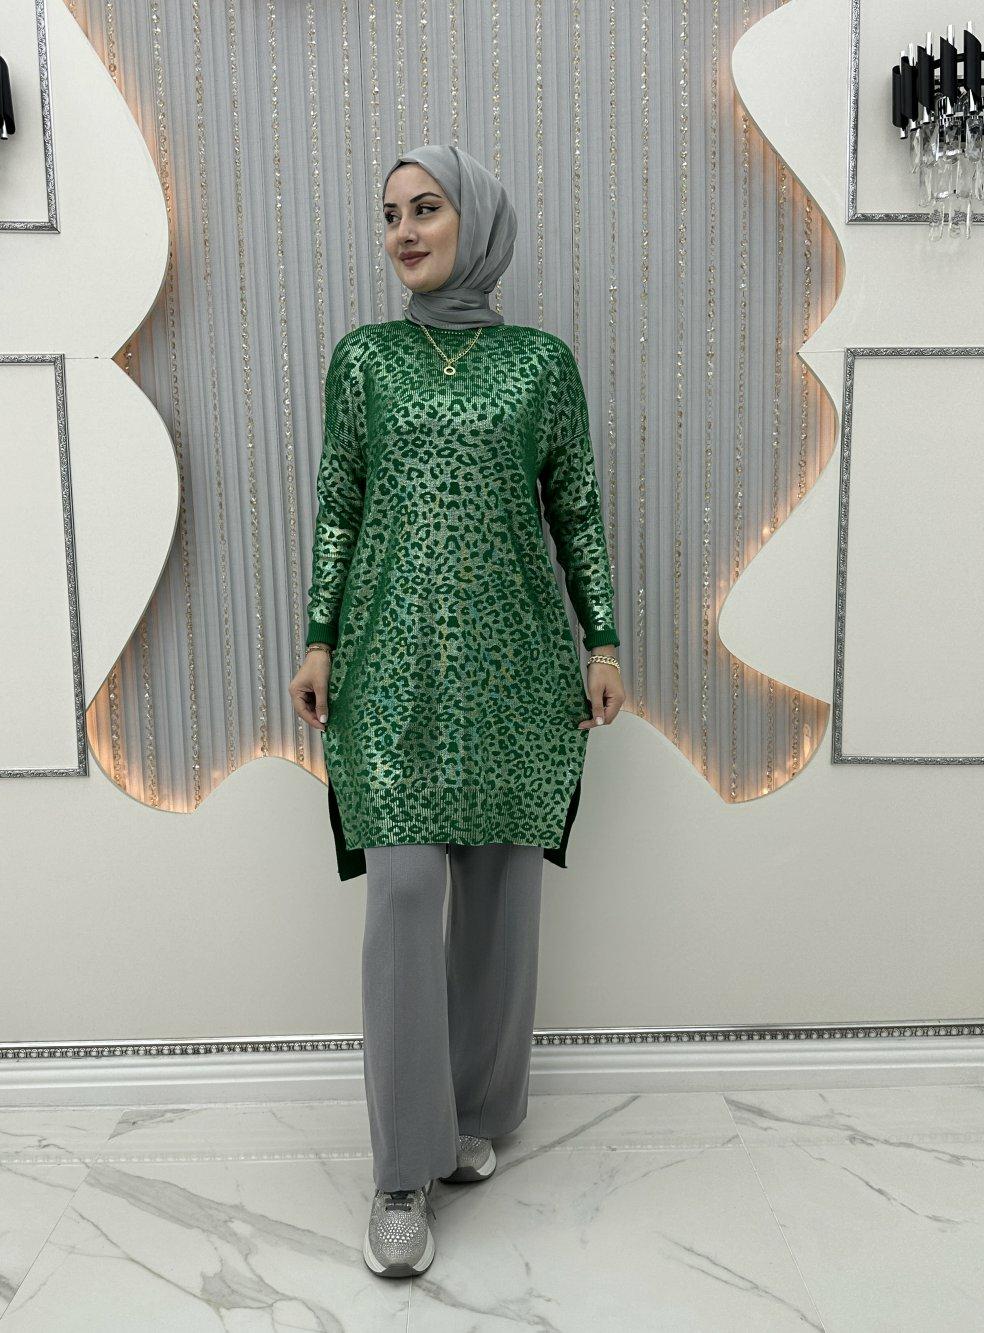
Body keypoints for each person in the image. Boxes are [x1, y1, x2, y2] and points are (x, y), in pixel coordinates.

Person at [288, 144, 624, 1278]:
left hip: (519, 667)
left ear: (474, 221)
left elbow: (575, 507)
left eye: (425, 208)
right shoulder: (365, 360)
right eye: (390, 214)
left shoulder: (539, 366)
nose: (403, 231)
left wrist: (603, 640)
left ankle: (474, 1114)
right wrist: (319, 639)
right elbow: (339, 503)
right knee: (401, 893)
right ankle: (401, 1170)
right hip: (388, 670)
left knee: (499, 900)